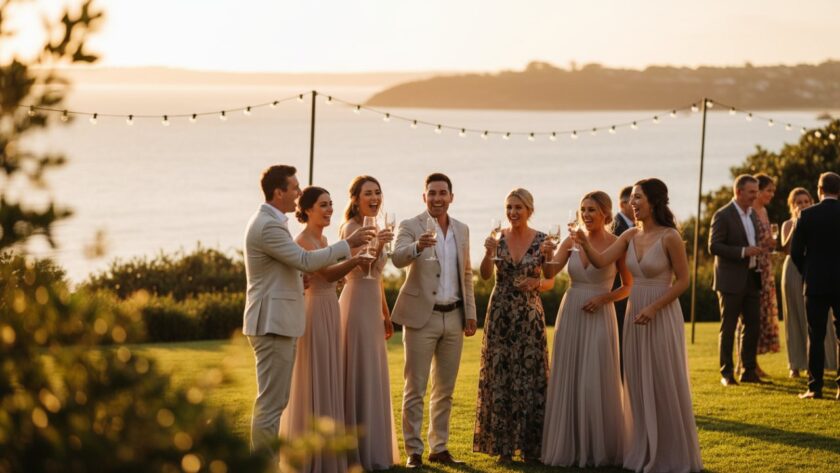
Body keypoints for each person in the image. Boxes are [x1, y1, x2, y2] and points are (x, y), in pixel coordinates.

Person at [243, 165, 373, 466]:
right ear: (279, 192)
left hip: (278, 320)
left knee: (275, 402)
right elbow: (303, 259)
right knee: (271, 405)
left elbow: (285, 267)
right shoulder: (268, 225)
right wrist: (347, 245)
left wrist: (295, 279)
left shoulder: (272, 222)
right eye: (295, 188)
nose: (299, 193)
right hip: (272, 322)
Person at [574, 178, 702, 473]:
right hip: (635, 314)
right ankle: (642, 451)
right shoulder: (629, 234)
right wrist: (582, 241)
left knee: (662, 380)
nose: (632, 203)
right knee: (636, 382)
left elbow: (683, 281)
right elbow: (602, 259)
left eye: (638, 198)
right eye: (631, 198)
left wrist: (655, 307)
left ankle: (670, 454)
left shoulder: (670, 236)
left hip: (662, 311)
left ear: (654, 202)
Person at [391, 173, 478, 469]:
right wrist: (417, 246)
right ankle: (413, 451)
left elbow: (467, 274)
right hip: (420, 318)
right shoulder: (409, 226)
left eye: (443, 193)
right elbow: (397, 258)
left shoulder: (462, 230)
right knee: (414, 387)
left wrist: (470, 315)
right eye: (432, 193)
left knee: (445, 389)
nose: (437, 198)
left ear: (451, 197)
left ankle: (439, 447)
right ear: (423, 197)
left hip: (454, 316)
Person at [540, 191, 631, 468]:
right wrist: (546, 257)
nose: (587, 215)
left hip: (600, 312)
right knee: (570, 374)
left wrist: (605, 298)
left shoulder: (617, 243)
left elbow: (628, 286)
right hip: (572, 311)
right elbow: (549, 273)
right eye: (583, 210)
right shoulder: (572, 239)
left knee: (596, 377)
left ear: (606, 213)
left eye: (592, 210)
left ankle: (599, 447)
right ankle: (572, 445)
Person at [279, 187, 363, 473]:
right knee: (314, 376)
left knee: (329, 374)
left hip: (330, 308)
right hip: (313, 312)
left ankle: (328, 452)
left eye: (331, 205)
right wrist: (355, 259)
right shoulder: (301, 240)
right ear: (307, 209)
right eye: (323, 205)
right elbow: (326, 274)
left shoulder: (325, 238)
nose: (328, 210)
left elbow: (329, 277)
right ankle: (309, 457)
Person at [474, 188, 552, 464]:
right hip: (500, 314)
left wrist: (538, 282)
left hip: (529, 315)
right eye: (509, 207)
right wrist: (487, 253)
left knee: (531, 377)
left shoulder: (543, 240)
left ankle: (532, 448)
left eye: (518, 207)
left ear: (529, 210)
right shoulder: (497, 238)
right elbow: (484, 275)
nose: (513, 212)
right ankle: (503, 448)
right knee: (501, 376)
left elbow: (551, 278)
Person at [338, 175, 400, 469]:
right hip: (355, 301)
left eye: (377, 192)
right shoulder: (351, 228)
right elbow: (361, 265)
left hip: (372, 302)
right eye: (368, 193)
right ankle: (356, 449)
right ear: (355, 199)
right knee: (359, 369)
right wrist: (379, 244)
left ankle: (375, 445)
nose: (374, 198)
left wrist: (385, 313)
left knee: (373, 370)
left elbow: (376, 277)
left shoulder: (375, 226)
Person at [708, 174, 766, 385]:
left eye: (757, 191)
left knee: (753, 325)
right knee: (729, 327)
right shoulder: (722, 215)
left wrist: (761, 246)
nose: (755, 195)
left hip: (752, 277)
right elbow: (713, 246)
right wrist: (743, 251)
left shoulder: (752, 215)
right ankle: (726, 373)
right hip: (730, 280)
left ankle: (748, 371)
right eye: (752, 192)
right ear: (739, 192)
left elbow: (752, 240)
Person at [791, 171, 840, 400]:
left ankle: (815, 387)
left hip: (815, 283)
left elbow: (795, 253)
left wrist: (807, 272)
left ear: (819, 190)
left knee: (816, 335)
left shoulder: (806, 215)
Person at [781, 188, 837, 379]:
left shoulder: (813, 218)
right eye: (798, 202)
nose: (803, 204)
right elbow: (787, 248)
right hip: (795, 271)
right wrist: (796, 224)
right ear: (792, 205)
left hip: (814, 272)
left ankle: (820, 368)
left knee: (820, 324)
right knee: (795, 317)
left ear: (813, 199)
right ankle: (795, 363)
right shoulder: (790, 223)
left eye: (806, 201)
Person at [735, 173, 780, 376]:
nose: (771, 194)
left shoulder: (764, 211)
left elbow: (766, 239)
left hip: (765, 267)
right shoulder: (750, 211)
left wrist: (771, 243)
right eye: (768, 190)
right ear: (759, 191)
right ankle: (742, 362)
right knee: (745, 318)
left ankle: (752, 362)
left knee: (757, 319)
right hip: (752, 268)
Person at [612, 185, 635, 371]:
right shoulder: (616, 226)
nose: (635, 204)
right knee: (619, 335)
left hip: (632, 288)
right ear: (623, 204)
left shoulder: (636, 227)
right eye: (632, 201)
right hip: (617, 288)